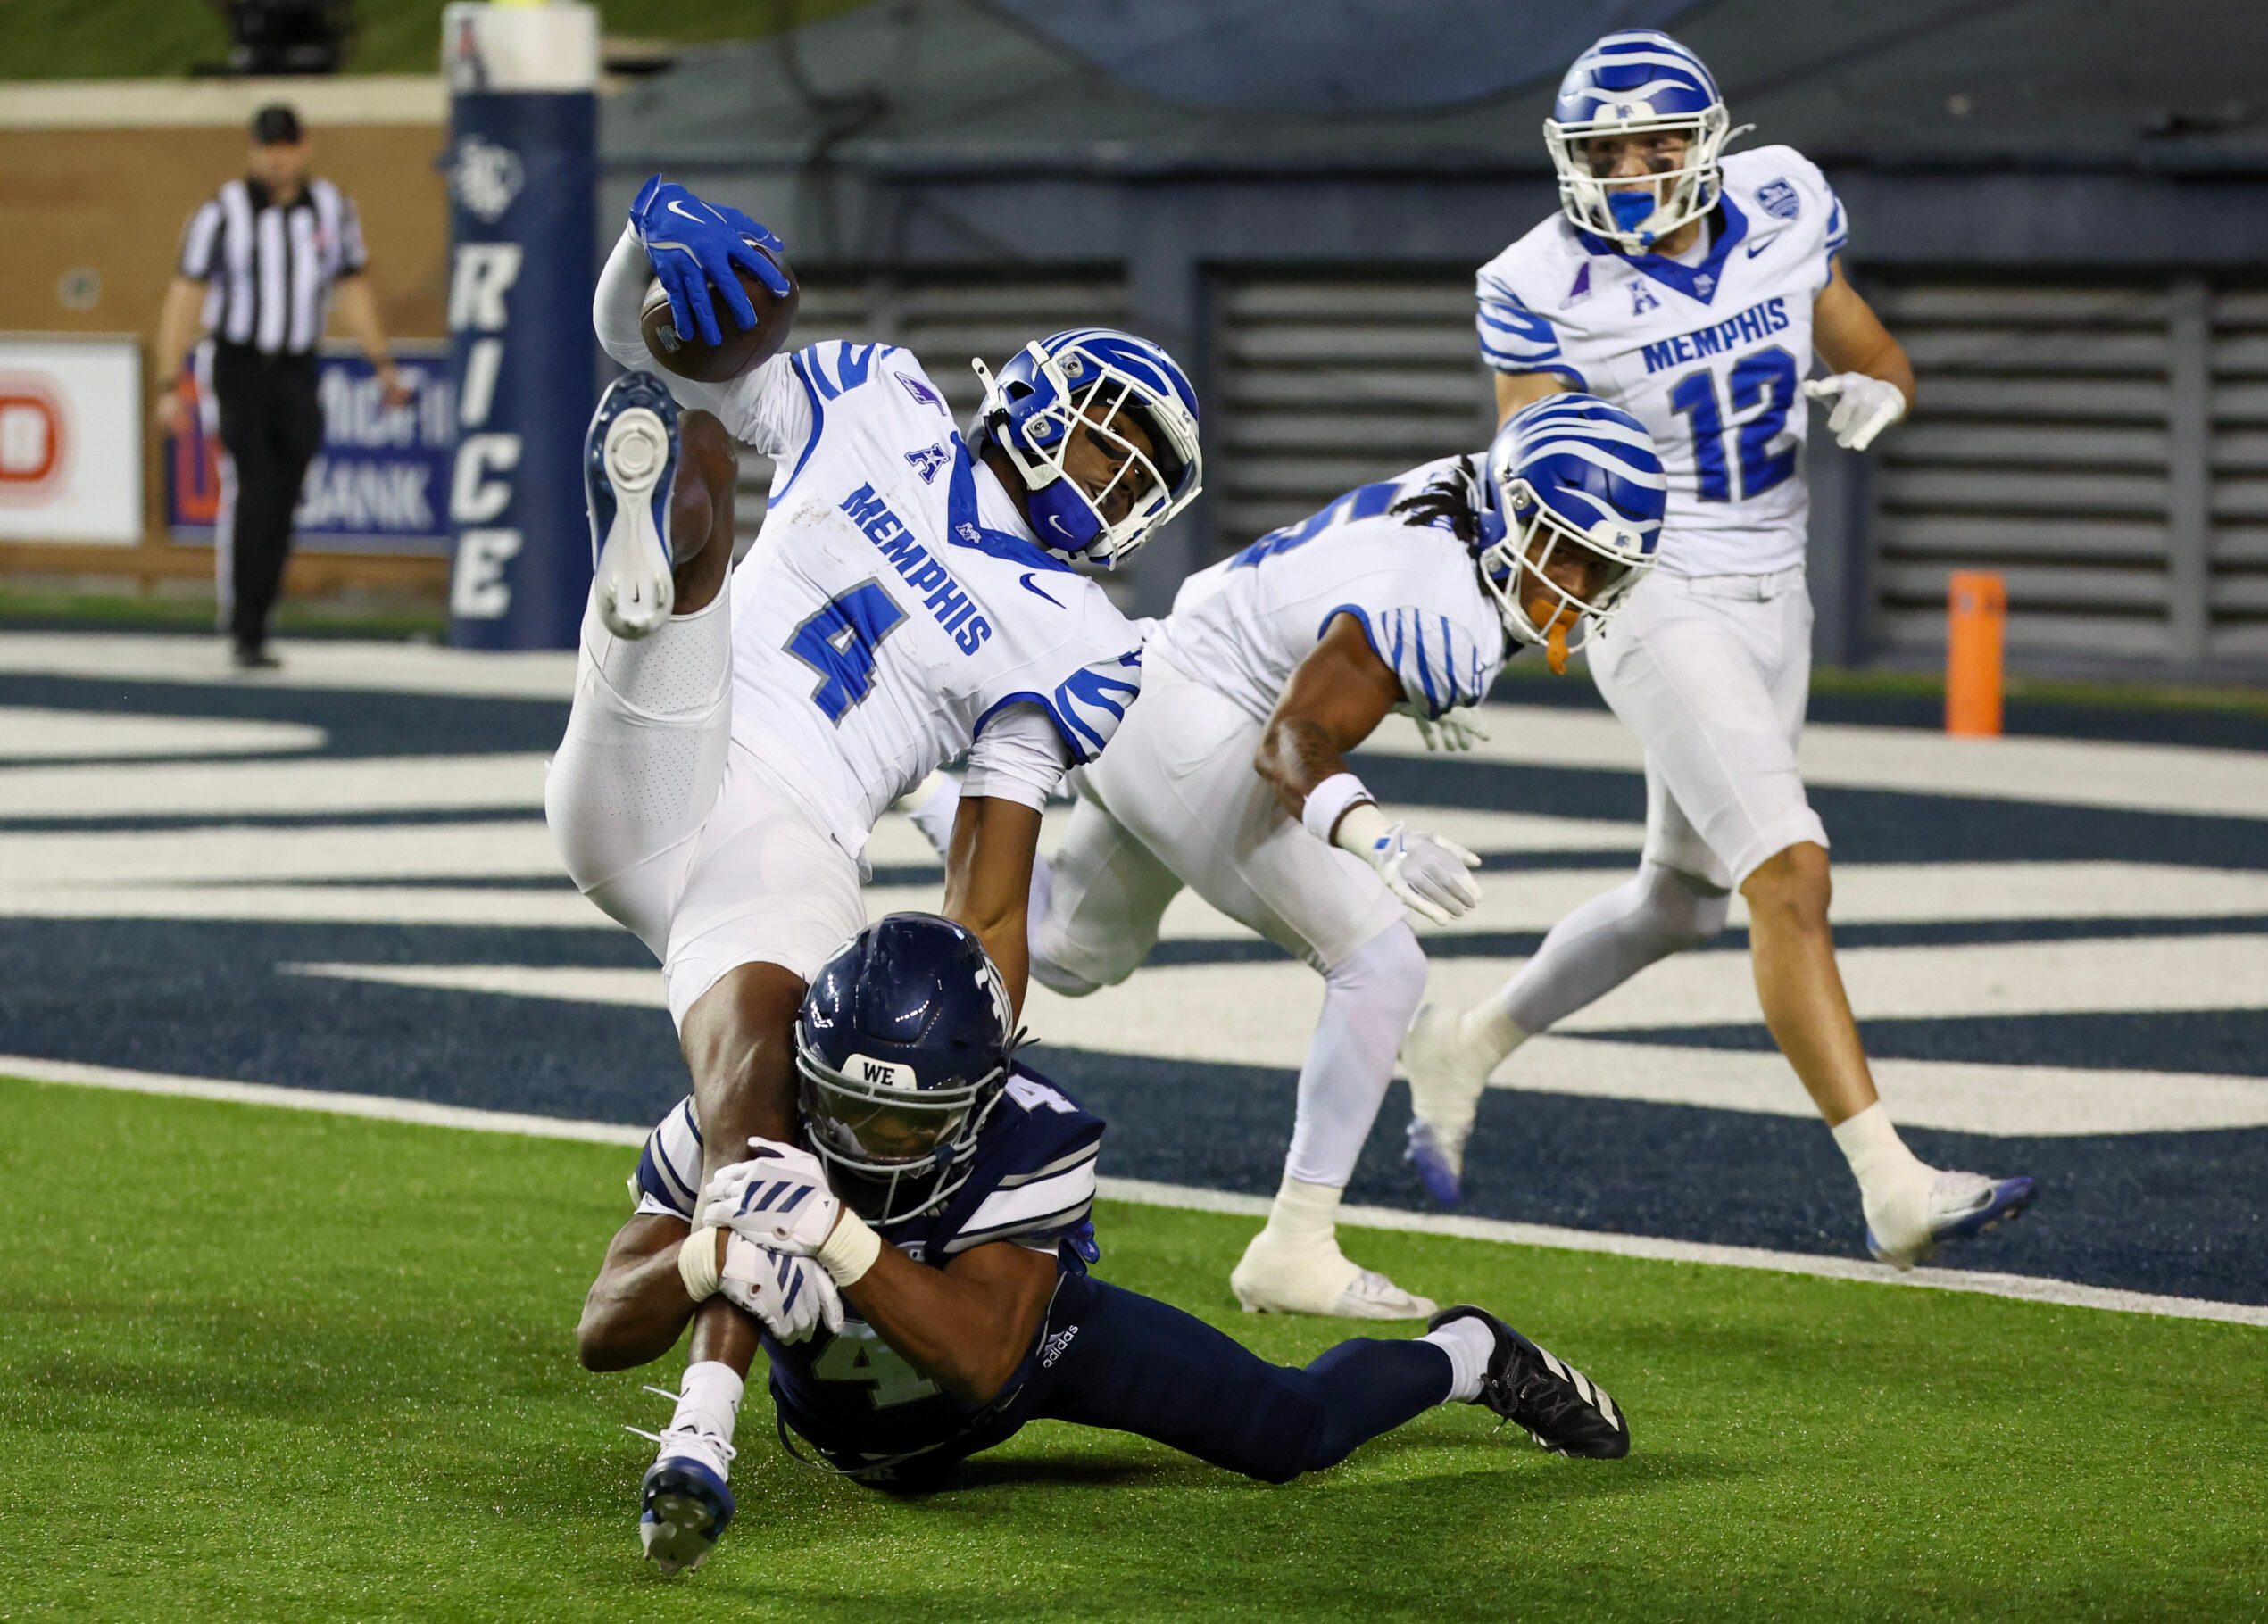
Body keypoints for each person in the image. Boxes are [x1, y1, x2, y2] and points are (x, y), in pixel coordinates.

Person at [545, 178, 1205, 1558]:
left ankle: (700, 1433)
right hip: (682, 755)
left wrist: (981, 1045)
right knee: (704, 440)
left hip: (788, 836)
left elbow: (991, 888)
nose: (1111, 489)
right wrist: (642, 263)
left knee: (765, 1112)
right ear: (1033, 402)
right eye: (1103, 450)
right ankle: (661, 555)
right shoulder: (885, 403)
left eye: (1135, 482)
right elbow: (641, 340)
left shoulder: (1077, 635)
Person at [1401, 30, 2034, 1266]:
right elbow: (1532, 472)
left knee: (1674, 901)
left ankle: (1465, 1040)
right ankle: (1890, 1184)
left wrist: (1883, 394)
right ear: (1568, 160)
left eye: (1657, 144)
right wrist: (1531, 608)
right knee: (1789, 874)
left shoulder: (1787, 195)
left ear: (1708, 144)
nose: (1634, 170)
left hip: (1772, 591)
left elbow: (1873, 347)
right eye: (1605, 150)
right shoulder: (1535, 279)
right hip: (1651, 587)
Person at [908, 394, 1666, 1318]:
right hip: (1201, 719)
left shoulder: (1464, 493)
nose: (1578, 586)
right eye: (1565, 552)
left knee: (1071, 950)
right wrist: (1376, 837)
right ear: (1512, 511)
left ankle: (929, 793)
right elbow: (1290, 744)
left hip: (1148, 676)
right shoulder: (1444, 610)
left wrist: (1395, 681)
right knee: (1381, 962)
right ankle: (1295, 1245)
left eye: (1602, 567)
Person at [578, 913, 1632, 1574]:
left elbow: (984, 1357)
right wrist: (703, 1258)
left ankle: (1467, 1354)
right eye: (845, 1108)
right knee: (735, 1233)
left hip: (1028, 1352)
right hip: (861, 1429)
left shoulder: (1035, 1127)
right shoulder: (746, 1111)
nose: (869, 1142)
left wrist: (834, 1236)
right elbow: (602, 1330)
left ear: (983, 1096)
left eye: (910, 1122)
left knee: (1289, 1433)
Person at [154, 102, 411, 669]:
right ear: (254, 149)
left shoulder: (330, 208)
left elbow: (350, 288)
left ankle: (258, 612)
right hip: (239, 363)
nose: (277, 158)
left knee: (289, 481)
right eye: (268, 147)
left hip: (297, 367)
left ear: (304, 147)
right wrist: (169, 380)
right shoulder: (222, 211)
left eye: (286, 146)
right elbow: (186, 295)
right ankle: (247, 623)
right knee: (258, 482)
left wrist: (382, 363)